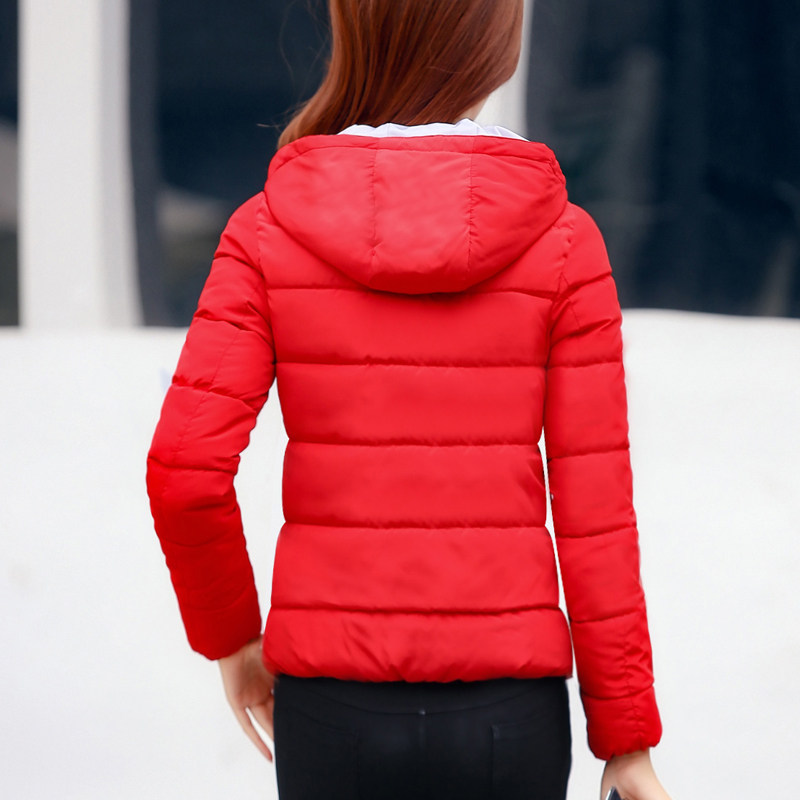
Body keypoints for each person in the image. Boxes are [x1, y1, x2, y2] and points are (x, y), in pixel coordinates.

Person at [145, 2, 672, 798]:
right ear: (493, 47)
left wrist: (233, 640)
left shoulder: (265, 230)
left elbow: (184, 470)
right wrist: (627, 739)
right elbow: (595, 515)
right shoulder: (565, 241)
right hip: (509, 716)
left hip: (331, 713)